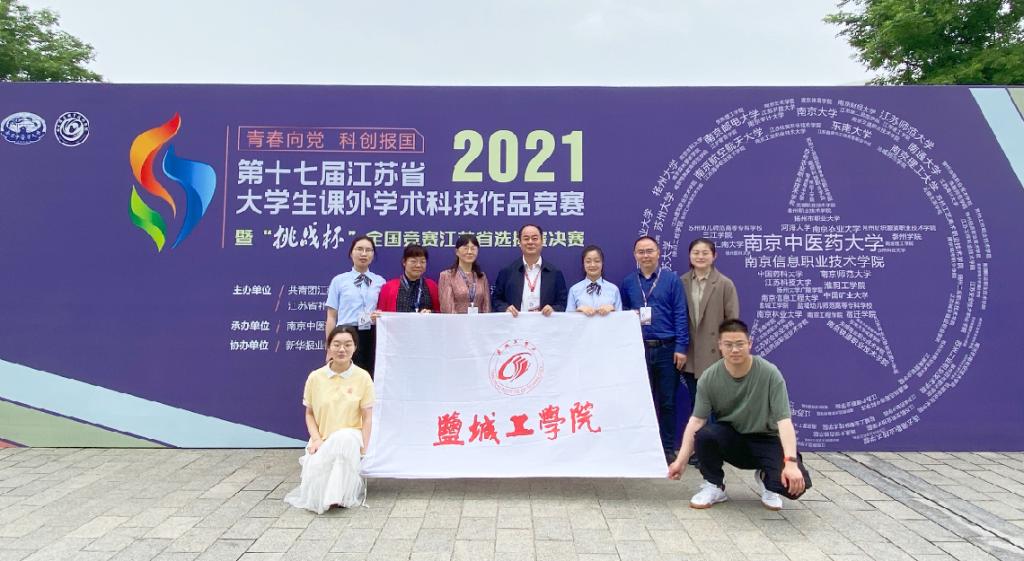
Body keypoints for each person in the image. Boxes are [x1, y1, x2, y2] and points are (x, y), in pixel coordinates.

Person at [668, 319, 811, 511]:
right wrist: (681, 461)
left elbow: (784, 422)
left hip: (766, 439)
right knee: (705, 435)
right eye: (728, 344)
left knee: (795, 488)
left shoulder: (770, 373)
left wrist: (791, 463)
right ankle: (714, 485)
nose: (734, 350)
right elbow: (696, 420)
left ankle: (766, 479)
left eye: (740, 344)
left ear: (749, 344)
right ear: (720, 346)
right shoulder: (709, 377)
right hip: (732, 439)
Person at [284, 326, 375, 513]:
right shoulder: (316, 377)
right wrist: (316, 439)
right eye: (337, 344)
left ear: (355, 347)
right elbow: (309, 413)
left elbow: (367, 417)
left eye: (348, 344)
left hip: (351, 438)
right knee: (315, 488)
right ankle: (332, 494)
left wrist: (364, 448)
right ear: (328, 347)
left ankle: (335, 497)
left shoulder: (363, 377)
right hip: (323, 439)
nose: (342, 349)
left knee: (343, 439)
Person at [620, 236, 689, 465]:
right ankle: (642, 448)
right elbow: (624, 313)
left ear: (658, 253)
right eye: (641, 252)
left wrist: (681, 347)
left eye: (649, 251)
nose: (645, 255)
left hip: (667, 349)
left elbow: (681, 313)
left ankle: (667, 449)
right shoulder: (629, 282)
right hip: (639, 350)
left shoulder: (671, 280)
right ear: (635, 255)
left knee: (667, 402)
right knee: (641, 401)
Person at [680, 238, 740, 465]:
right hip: (690, 354)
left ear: (714, 256)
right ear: (690, 256)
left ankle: (715, 453)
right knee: (697, 405)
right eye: (696, 252)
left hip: (715, 355)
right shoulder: (682, 282)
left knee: (715, 406)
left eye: (705, 252)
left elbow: (732, 321)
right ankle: (699, 450)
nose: (700, 256)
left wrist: (729, 351)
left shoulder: (724, 284)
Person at [325, 236, 384, 376]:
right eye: (359, 249)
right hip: (345, 334)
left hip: (371, 335)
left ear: (373, 255)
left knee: (368, 376)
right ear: (351, 253)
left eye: (368, 250)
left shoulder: (380, 281)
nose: (364, 254)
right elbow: (331, 317)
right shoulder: (339, 281)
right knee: (345, 376)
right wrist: (329, 348)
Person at [492, 224, 567, 317]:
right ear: (519, 243)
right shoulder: (507, 272)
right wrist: (505, 308)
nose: (530, 242)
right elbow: (496, 299)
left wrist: (553, 309)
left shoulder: (555, 273)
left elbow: (562, 302)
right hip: (515, 323)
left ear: (542, 242)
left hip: (544, 323)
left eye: (535, 238)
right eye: (526, 238)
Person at [376, 244, 440, 313]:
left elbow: (440, 312)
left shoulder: (432, 286)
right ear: (404, 262)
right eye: (413, 261)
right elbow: (381, 313)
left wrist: (431, 312)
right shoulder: (388, 287)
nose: (418, 265)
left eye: (422, 262)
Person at [438, 234, 491, 314]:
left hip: (479, 321)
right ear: (457, 252)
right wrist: (462, 321)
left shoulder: (481, 276)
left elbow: (486, 307)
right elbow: (447, 309)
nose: (469, 252)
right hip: (455, 321)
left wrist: (483, 321)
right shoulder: (447, 276)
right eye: (465, 248)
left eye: (473, 248)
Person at [566, 245, 621, 316]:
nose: (592, 265)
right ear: (583, 264)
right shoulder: (574, 290)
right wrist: (578, 310)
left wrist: (613, 309)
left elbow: (621, 319)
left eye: (597, 261)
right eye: (588, 261)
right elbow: (568, 319)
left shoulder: (614, 289)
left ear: (602, 263)